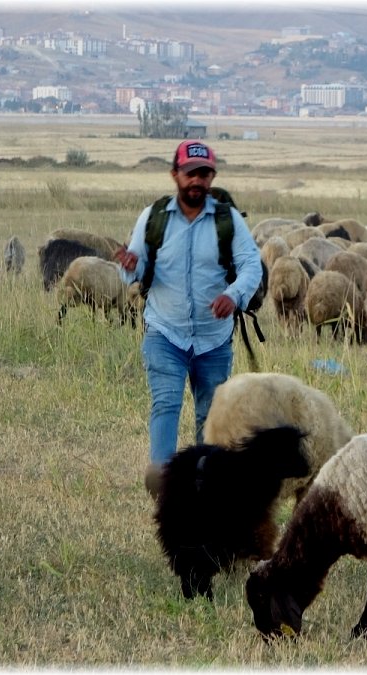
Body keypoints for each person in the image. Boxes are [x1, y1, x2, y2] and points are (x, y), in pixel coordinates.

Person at [115, 140, 263, 498]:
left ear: (212, 177)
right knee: (165, 403)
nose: (197, 180)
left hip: (213, 338)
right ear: (175, 175)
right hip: (165, 332)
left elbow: (251, 264)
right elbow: (137, 265)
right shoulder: (154, 217)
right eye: (190, 173)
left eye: (205, 174)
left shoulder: (227, 221)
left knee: (208, 416)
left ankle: (205, 488)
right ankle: (165, 486)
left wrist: (234, 295)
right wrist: (130, 266)